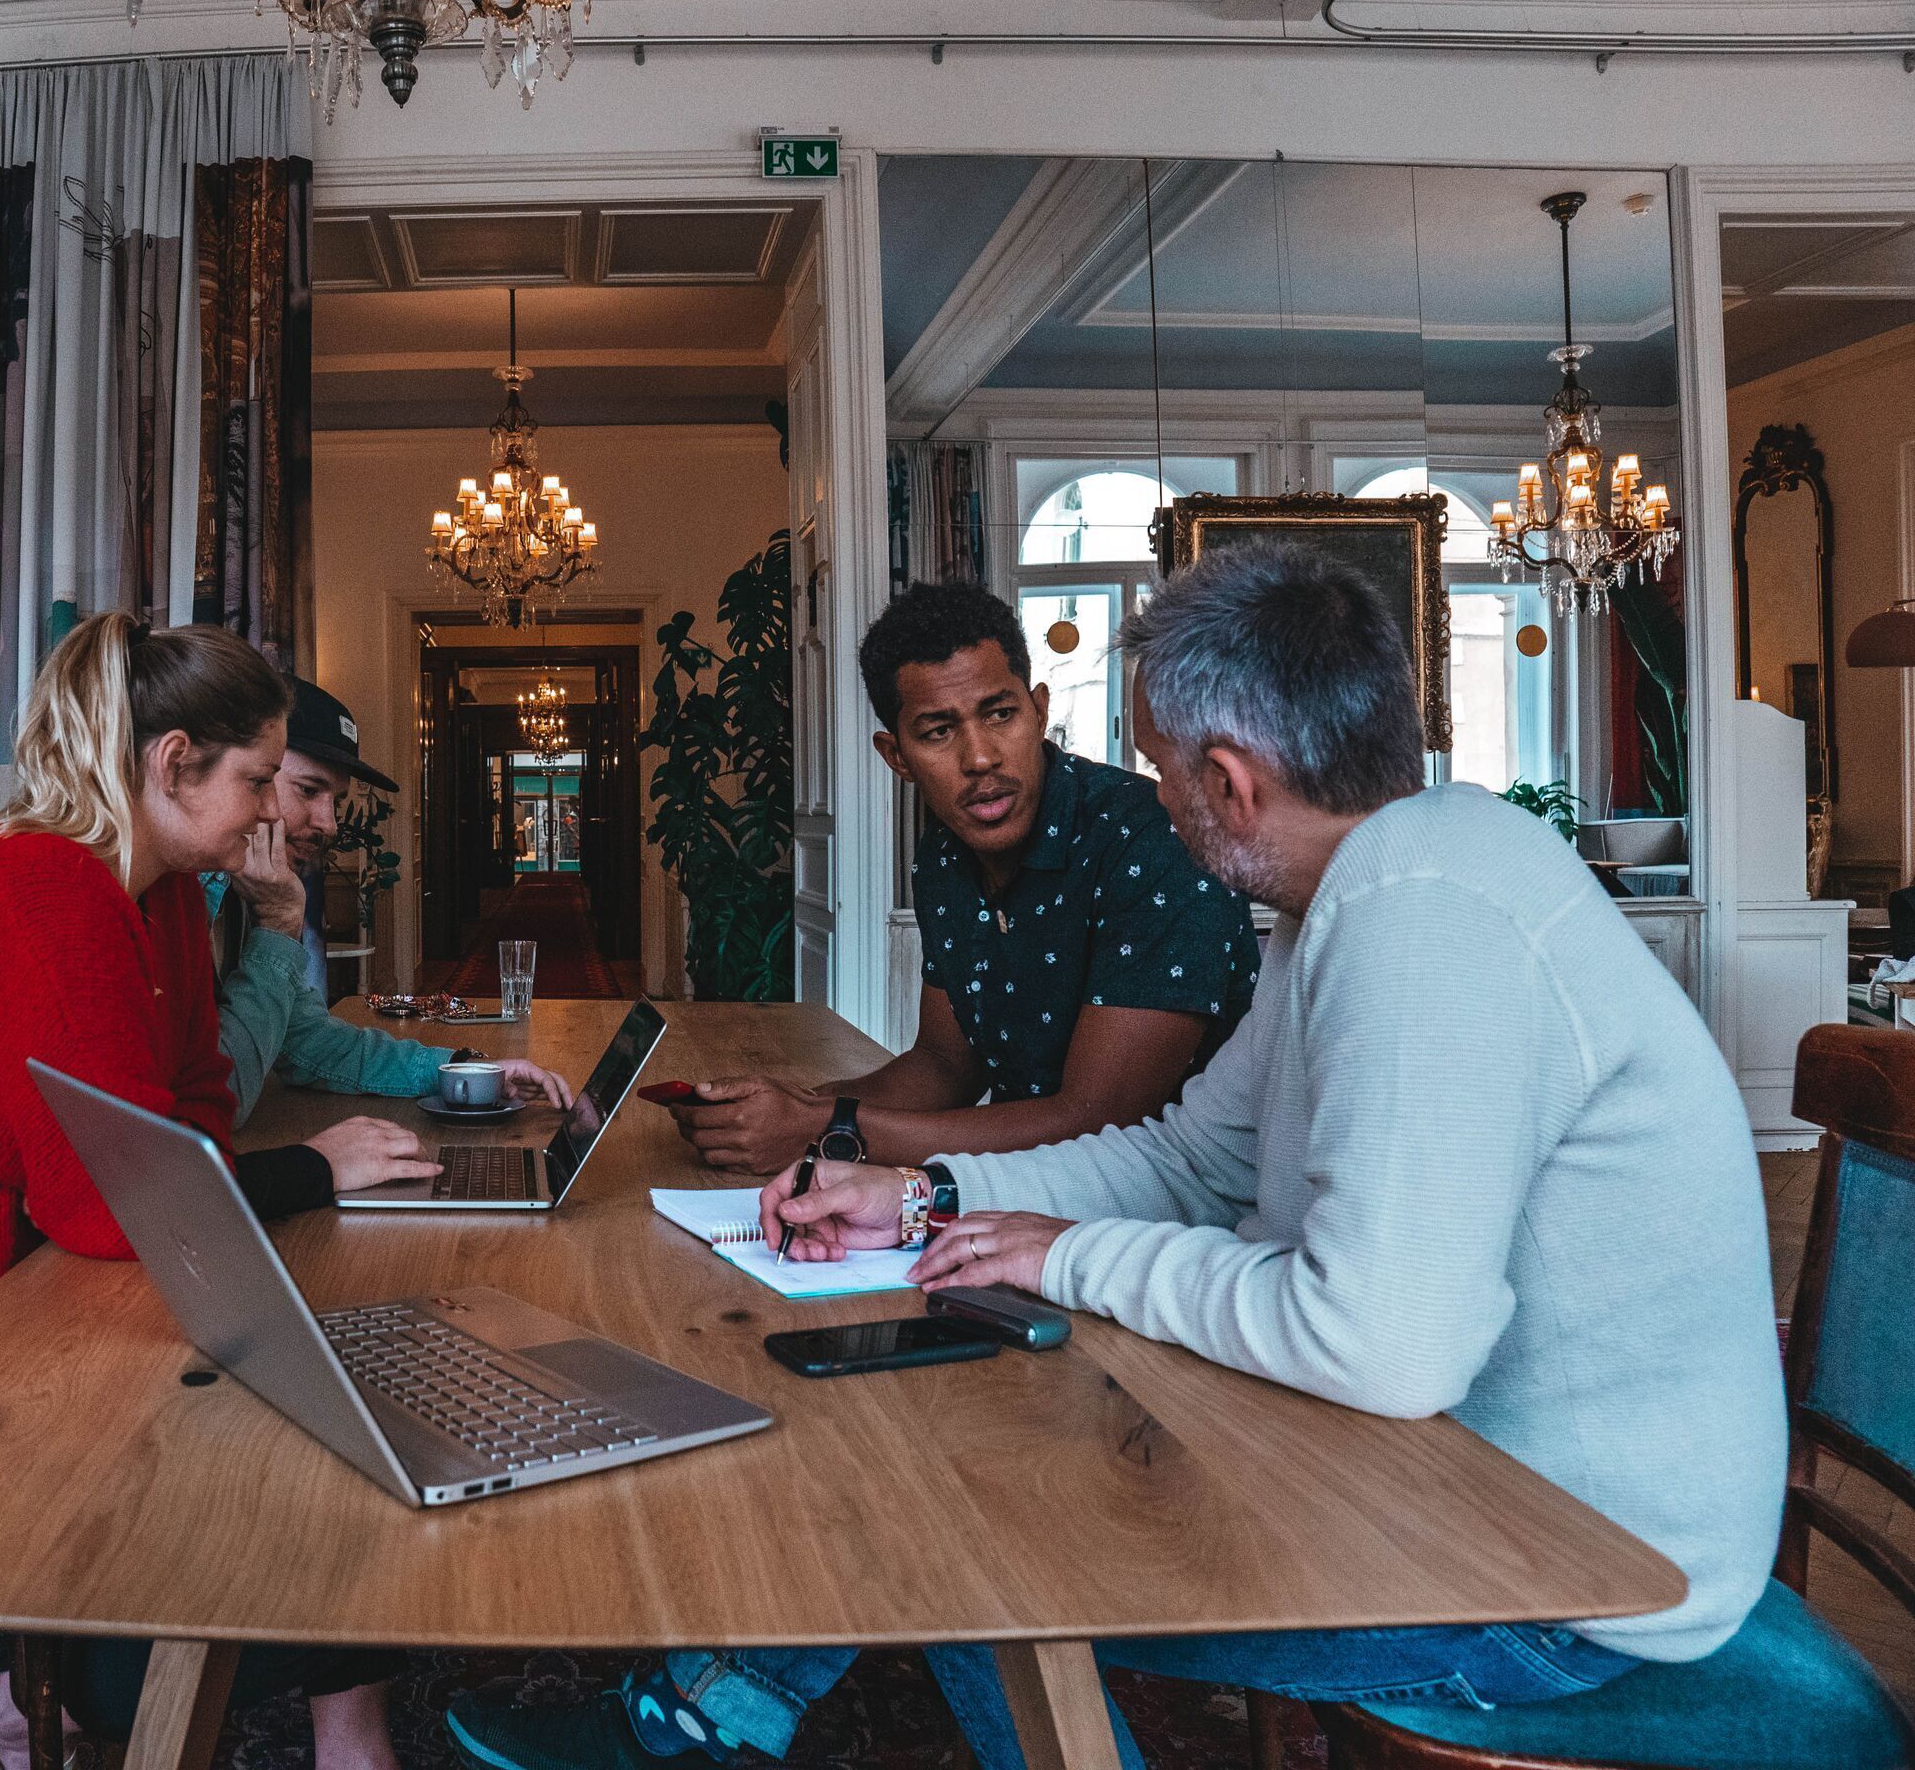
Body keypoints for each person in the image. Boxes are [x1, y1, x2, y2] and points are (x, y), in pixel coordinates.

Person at [444, 544, 1785, 1770]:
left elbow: (1383, 1345)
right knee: (970, 1466)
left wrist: (1072, 1253)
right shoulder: (1361, 900)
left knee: (982, 1549)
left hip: (1568, 1583)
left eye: (1156, 764)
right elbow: (1186, 1162)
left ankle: (705, 1717)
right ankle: (711, 1713)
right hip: (1456, 1478)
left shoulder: (1425, 925)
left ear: (1228, 782)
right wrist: (923, 1193)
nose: (1146, 794)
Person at [0, 614, 436, 1770]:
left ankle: (336, 1736)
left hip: (12, 1300)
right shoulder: (41, 892)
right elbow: (120, 1204)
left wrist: (199, 1171)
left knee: (326, 1412)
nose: (279, 811)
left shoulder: (163, 889)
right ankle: (29, 1707)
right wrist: (310, 1170)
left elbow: (191, 1111)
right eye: (262, 780)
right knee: (314, 1504)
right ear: (171, 765)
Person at [670, 577, 1257, 1174]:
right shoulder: (945, 855)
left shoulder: (1155, 842)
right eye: (938, 731)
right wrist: (775, 1113)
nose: (980, 758)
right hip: (1015, 1199)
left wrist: (828, 1129)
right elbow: (944, 1066)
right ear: (895, 755)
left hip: (1172, 1218)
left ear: (1040, 710)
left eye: (1000, 714)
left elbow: (1097, 1119)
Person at [211, 676, 573, 1124]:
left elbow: (310, 1046)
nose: (329, 824)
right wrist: (279, 920)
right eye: (308, 789)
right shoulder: (181, 895)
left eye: (336, 800)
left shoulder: (255, 889)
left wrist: (468, 1068)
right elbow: (218, 1104)